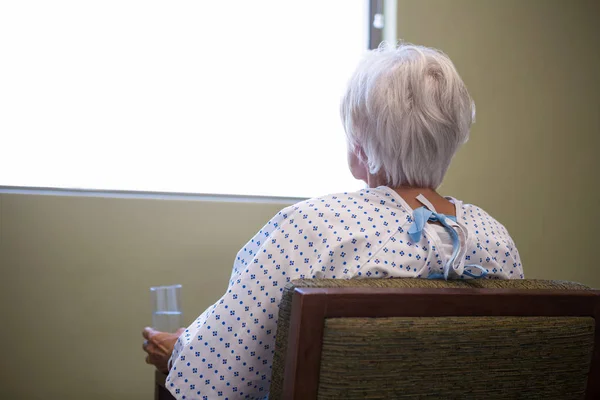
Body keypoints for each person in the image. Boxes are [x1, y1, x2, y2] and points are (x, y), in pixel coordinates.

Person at [142, 43, 523, 399]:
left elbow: (216, 375)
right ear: (452, 139)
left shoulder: (310, 228)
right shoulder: (496, 240)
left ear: (358, 141)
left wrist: (178, 352)